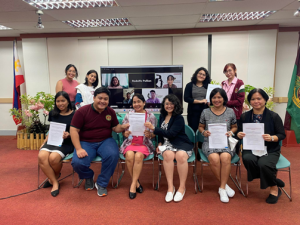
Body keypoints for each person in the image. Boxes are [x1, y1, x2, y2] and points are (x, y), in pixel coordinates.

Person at [70, 87, 129, 197]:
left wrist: (123, 127)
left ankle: (102, 183)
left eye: (105, 99)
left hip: (105, 140)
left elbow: (115, 128)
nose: (102, 101)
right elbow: (73, 130)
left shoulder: (110, 111)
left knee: (113, 155)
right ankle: (88, 176)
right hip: (86, 142)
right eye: (100, 98)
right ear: (94, 98)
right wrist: (78, 148)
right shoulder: (82, 111)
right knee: (77, 163)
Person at [237, 88, 286, 204]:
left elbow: (281, 134)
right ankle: (272, 179)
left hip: (270, 148)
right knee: (248, 159)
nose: (256, 101)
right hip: (251, 147)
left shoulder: (274, 116)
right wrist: (238, 134)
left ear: (265, 100)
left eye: (259, 98)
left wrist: (272, 138)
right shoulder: (245, 117)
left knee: (263, 164)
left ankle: (274, 189)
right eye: (253, 99)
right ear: (250, 101)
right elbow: (238, 132)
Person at [145, 94, 194, 203]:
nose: (169, 106)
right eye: (167, 103)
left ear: (176, 105)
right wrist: (160, 143)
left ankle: (182, 188)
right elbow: (162, 135)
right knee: (168, 155)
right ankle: (170, 188)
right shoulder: (162, 115)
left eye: (172, 103)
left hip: (181, 143)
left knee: (180, 156)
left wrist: (153, 128)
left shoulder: (179, 118)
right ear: (164, 105)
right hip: (167, 143)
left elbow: (171, 134)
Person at [198, 88, 237, 203]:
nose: (217, 100)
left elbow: (235, 126)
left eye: (219, 97)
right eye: (214, 97)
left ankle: (222, 188)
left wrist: (231, 132)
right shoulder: (205, 112)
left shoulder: (230, 111)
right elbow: (200, 126)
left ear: (224, 98)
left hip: (225, 142)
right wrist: (203, 132)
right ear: (211, 99)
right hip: (209, 142)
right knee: (214, 158)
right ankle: (224, 186)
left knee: (225, 157)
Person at [120, 93, 157, 199]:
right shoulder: (128, 115)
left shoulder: (151, 116)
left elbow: (154, 133)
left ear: (144, 103)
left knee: (139, 156)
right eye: (134, 102)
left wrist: (150, 134)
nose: (136, 104)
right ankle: (136, 183)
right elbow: (124, 132)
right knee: (130, 155)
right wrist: (125, 133)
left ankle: (132, 185)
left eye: (139, 102)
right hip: (130, 143)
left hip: (144, 143)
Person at [38, 91, 75, 197]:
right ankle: (55, 181)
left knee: (53, 158)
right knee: (42, 156)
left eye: (63, 100)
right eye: (58, 101)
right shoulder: (52, 113)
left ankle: (53, 178)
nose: (60, 103)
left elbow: (78, 131)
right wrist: (44, 142)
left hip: (67, 142)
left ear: (68, 101)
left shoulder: (75, 114)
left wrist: (69, 134)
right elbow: (51, 129)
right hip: (53, 141)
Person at [184, 67, 210, 132]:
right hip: (192, 113)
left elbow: (211, 98)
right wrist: (200, 101)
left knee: (204, 131)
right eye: (200, 73)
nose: (201, 76)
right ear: (196, 74)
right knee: (193, 131)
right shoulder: (189, 85)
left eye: (204, 75)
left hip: (205, 112)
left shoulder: (208, 86)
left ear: (206, 77)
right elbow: (186, 98)